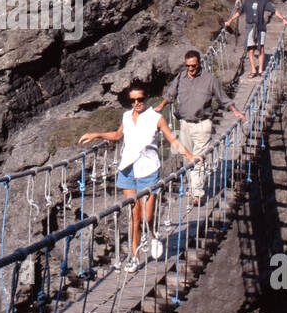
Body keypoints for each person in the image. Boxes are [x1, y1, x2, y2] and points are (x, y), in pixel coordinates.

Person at [79, 85, 202, 273]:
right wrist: (97, 134)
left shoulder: (156, 118)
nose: (137, 103)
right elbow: (118, 135)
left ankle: (153, 235)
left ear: (147, 98)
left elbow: (172, 140)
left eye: (140, 99)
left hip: (149, 170)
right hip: (128, 170)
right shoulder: (127, 116)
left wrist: (190, 156)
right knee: (134, 216)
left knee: (147, 216)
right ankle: (134, 257)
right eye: (133, 101)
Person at [154, 50, 245, 207]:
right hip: (184, 124)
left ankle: (197, 193)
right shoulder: (181, 77)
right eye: (188, 66)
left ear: (199, 64)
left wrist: (234, 110)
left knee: (197, 158)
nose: (190, 69)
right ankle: (193, 186)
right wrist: (161, 106)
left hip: (202, 124)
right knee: (186, 157)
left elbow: (223, 98)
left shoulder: (210, 80)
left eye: (193, 66)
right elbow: (170, 94)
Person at [224, 0, 287, 79]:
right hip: (250, 27)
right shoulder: (247, 1)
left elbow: (274, 10)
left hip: (260, 27)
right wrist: (230, 21)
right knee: (251, 50)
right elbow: (239, 12)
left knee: (261, 48)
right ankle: (253, 70)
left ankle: (261, 70)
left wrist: (283, 19)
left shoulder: (263, 1)